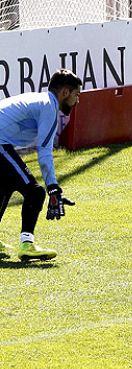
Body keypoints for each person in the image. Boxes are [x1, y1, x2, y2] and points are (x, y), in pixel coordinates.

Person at [0, 69, 80, 261]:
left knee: (7, 184)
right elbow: (44, 152)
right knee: (35, 192)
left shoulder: (40, 100)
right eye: (77, 95)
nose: (77, 101)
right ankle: (27, 245)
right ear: (65, 93)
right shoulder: (49, 107)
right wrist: (52, 187)